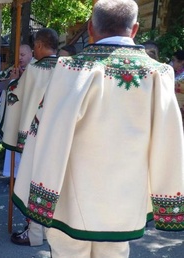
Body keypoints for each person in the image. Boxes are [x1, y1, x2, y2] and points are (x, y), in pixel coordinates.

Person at [13, 0, 184, 257]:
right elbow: (170, 141)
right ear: (135, 29)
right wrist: (165, 198)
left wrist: (38, 193)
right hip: (124, 199)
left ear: (91, 28)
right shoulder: (159, 74)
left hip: (70, 198)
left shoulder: (70, 69)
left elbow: (46, 134)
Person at [2, 28, 59, 247]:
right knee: (51, 183)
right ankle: (46, 230)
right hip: (58, 137)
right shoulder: (67, 68)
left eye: (35, 45)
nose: (34, 49)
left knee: (32, 181)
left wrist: (13, 82)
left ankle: (34, 232)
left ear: (41, 45)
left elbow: (17, 96)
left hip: (34, 136)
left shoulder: (34, 69)